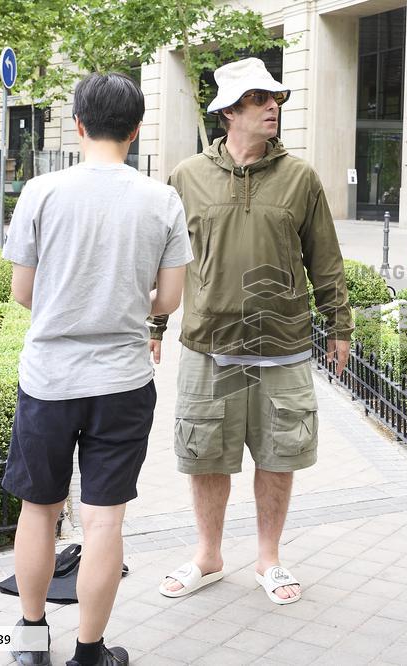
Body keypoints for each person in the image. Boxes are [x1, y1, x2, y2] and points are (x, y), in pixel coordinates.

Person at [1, 72, 192, 666]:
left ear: (78, 125)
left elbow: (22, 292)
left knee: (40, 510)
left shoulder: (41, 191)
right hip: (123, 381)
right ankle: (90, 652)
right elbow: (168, 302)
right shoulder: (161, 199)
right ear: (136, 131)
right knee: (104, 520)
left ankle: (32, 644)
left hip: (49, 380)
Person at [156, 57, 353, 605]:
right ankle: (209, 555)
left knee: (279, 454)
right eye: (260, 99)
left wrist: (340, 326)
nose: (274, 107)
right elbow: (166, 261)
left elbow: (326, 260)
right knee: (206, 455)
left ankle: (269, 558)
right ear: (228, 113)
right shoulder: (186, 177)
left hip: (283, 344)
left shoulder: (300, 178)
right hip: (208, 344)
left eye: (275, 99)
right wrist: (155, 324)